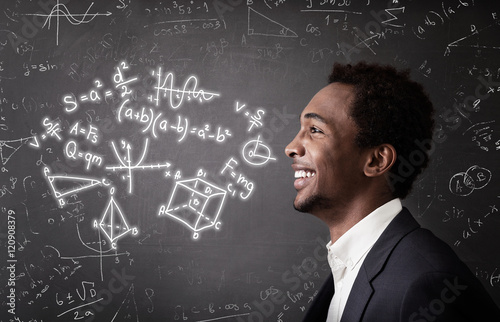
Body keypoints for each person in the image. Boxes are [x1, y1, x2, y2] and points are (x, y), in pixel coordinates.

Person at [284, 62, 500, 322]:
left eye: (315, 131)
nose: (291, 147)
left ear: (376, 161)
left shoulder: (426, 283)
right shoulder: (351, 267)